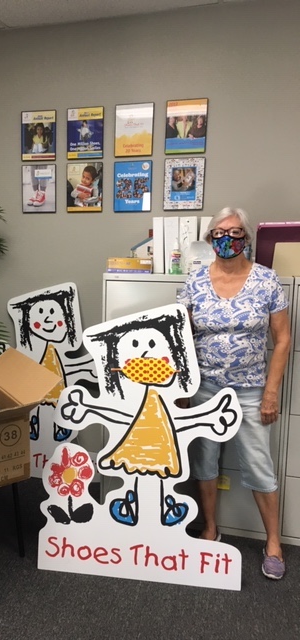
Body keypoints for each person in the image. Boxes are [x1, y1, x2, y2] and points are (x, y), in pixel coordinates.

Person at [177, 207, 290, 580]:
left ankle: (273, 543)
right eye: (220, 233)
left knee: (258, 465)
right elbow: (180, 336)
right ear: (210, 240)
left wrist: (271, 391)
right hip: (205, 387)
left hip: (251, 389)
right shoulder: (193, 281)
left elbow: (283, 338)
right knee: (205, 463)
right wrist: (181, 389)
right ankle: (210, 529)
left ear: (247, 238)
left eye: (236, 232)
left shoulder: (267, 281)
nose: (228, 239)